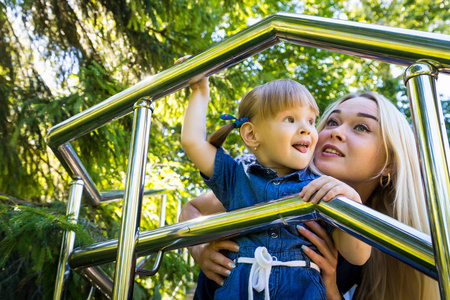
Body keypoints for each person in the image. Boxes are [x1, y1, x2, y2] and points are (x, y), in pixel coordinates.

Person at [179, 91, 440, 300]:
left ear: (389, 165)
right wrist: (200, 249)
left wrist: (332, 292)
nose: (336, 132)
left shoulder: (378, 244)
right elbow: (193, 208)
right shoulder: (268, 180)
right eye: (333, 122)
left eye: (361, 127)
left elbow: (358, 257)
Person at [180, 58, 371, 300]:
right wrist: (200, 90)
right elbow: (193, 142)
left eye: (311, 121)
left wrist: (351, 200)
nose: (306, 129)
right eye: (290, 119)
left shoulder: (319, 186)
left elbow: (358, 256)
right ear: (251, 134)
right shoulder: (237, 177)